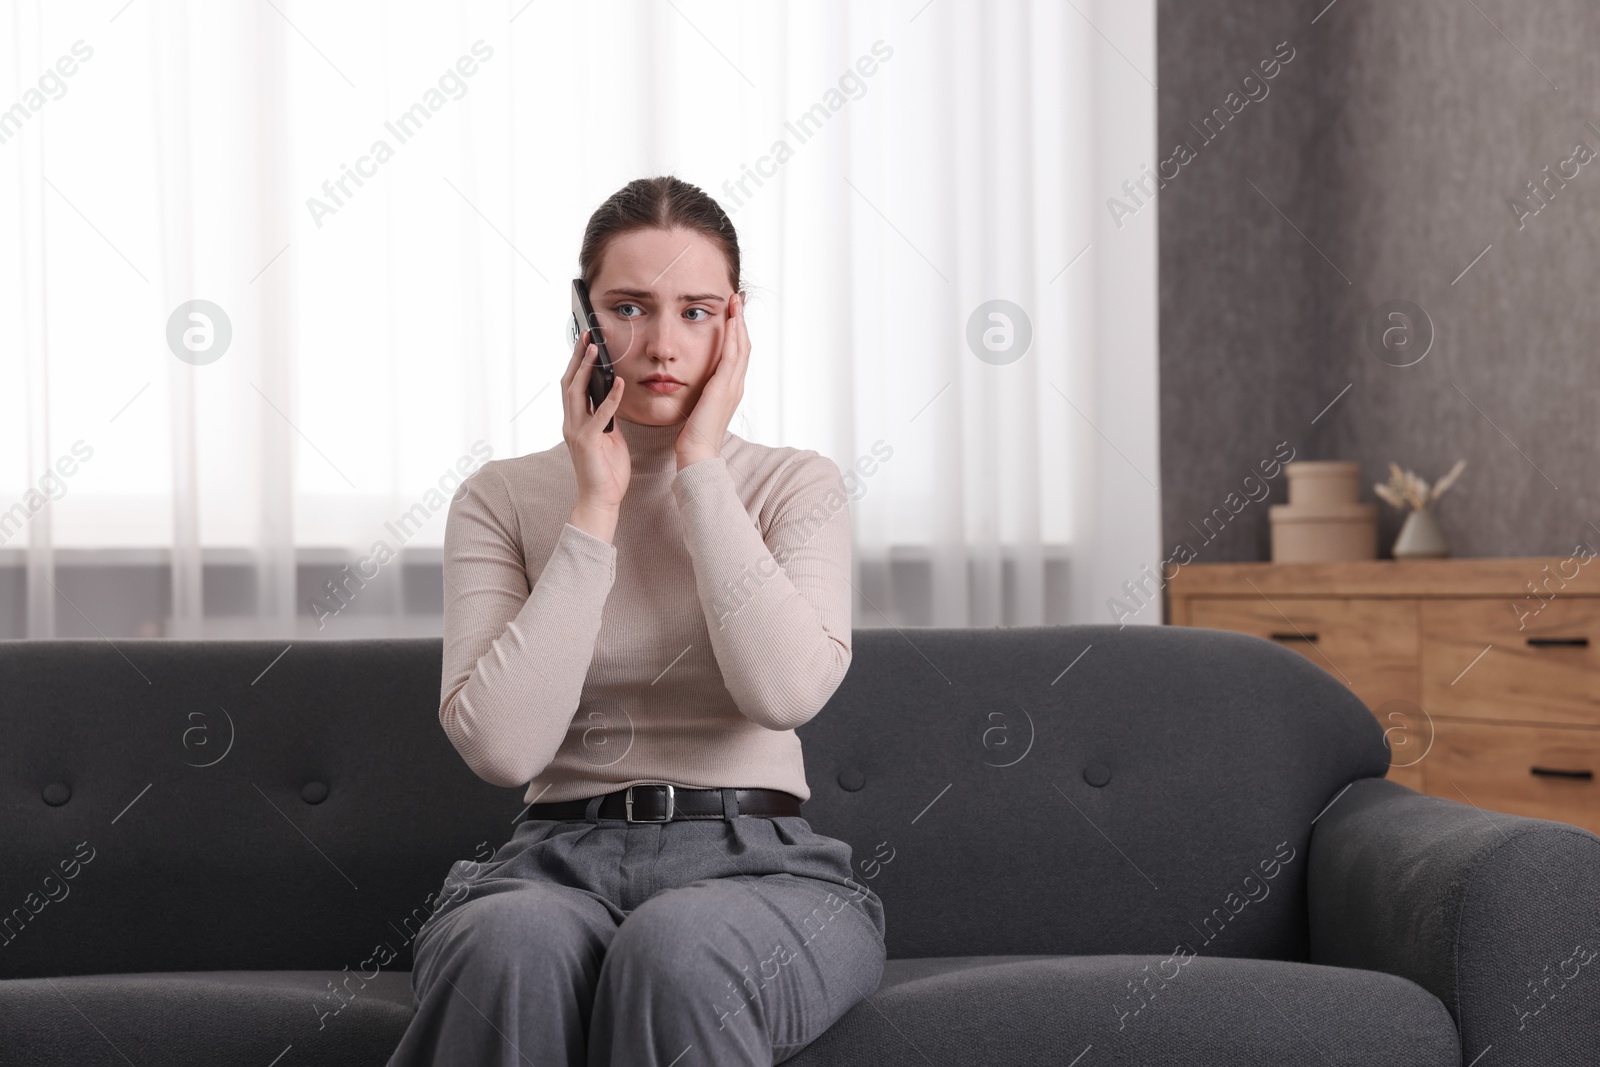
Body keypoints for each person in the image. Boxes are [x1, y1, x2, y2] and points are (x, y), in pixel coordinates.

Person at [384, 175, 887, 1067]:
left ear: (734, 326)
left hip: (760, 863)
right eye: (628, 307)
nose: (661, 344)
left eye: (696, 312)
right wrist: (594, 509)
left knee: (677, 951)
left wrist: (701, 469)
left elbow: (784, 692)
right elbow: (503, 750)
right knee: (507, 951)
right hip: (552, 862)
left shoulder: (793, 485)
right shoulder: (500, 498)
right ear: (584, 320)